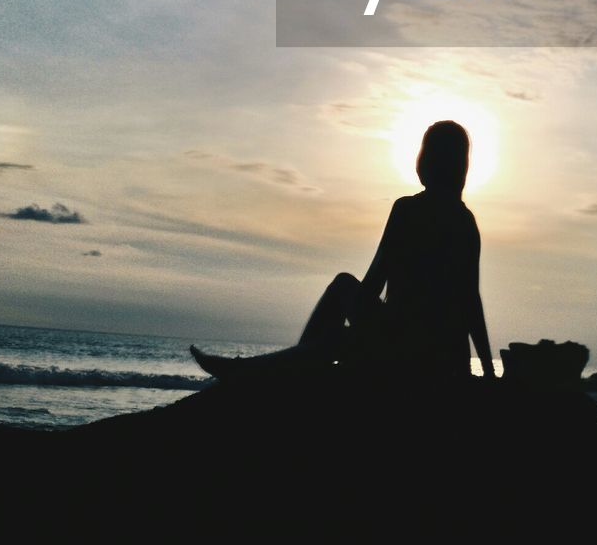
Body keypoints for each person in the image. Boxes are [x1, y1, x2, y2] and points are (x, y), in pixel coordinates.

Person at [190, 119, 495, 382]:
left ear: (426, 160)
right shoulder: (465, 222)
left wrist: (355, 333)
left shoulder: (408, 210)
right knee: (341, 317)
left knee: (341, 296)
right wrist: (487, 369)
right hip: (445, 356)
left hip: (406, 347)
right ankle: (288, 363)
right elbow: (471, 300)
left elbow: (375, 281)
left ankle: (261, 369)